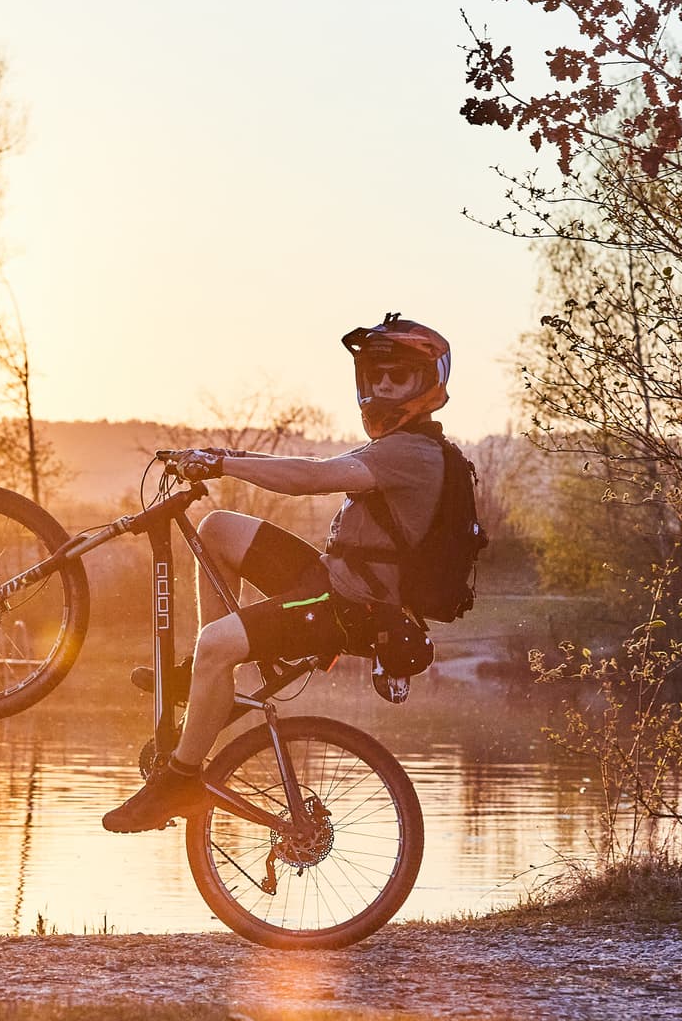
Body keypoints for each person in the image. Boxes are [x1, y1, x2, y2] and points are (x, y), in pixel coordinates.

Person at [101, 313, 454, 833]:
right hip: (329, 580)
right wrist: (218, 460)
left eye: (396, 377)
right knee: (217, 529)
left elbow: (310, 477)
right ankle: (211, 676)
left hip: (351, 609)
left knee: (219, 642)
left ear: (427, 385)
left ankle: (178, 781)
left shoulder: (414, 453)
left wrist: (222, 462)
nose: (381, 387)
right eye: (375, 377)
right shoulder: (399, 449)